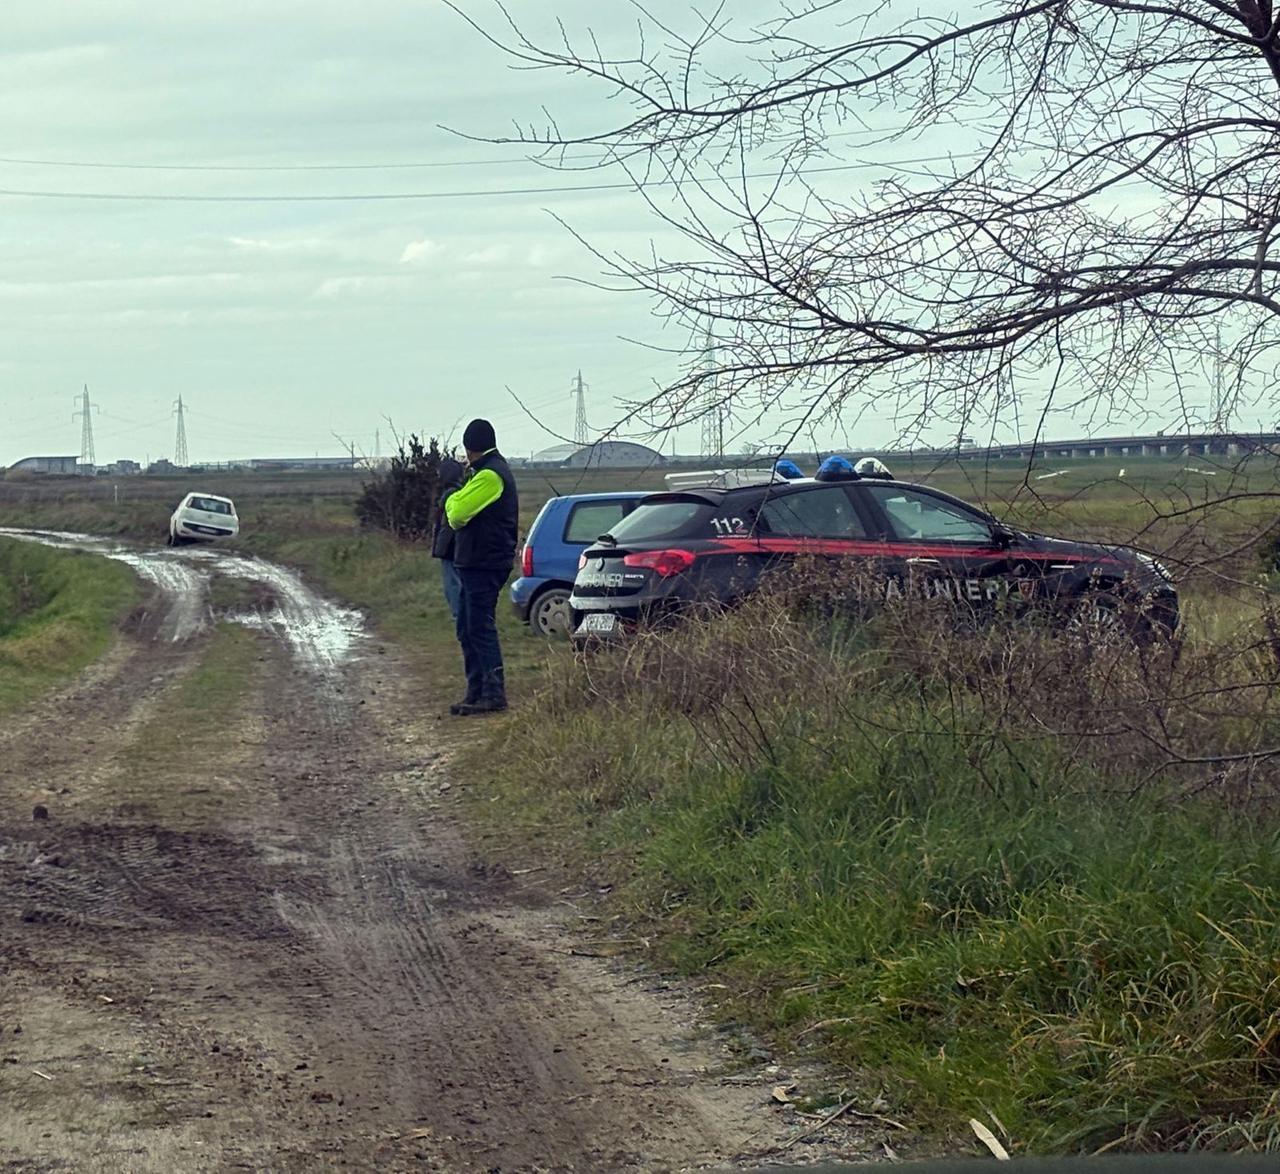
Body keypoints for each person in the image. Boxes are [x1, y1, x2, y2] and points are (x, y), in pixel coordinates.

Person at [444, 419, 519, 715]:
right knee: (467, 627)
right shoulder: (485, 472)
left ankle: (493, 694)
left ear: (468, 447)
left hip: (484, 563)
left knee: (479, 627)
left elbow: (457, 514)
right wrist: (455, 502)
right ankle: (475, 692)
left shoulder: (489, 475)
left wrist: (451, 498)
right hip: (476, 562)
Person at [431, 456, 465, 621]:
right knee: (459, 583)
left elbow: (446, 526)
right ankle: (463, 614)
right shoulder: (461, 491)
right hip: (459, 547)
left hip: (450, 547)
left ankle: (459, 616)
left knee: (452, 584)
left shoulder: (449, 495)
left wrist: (440, 548)